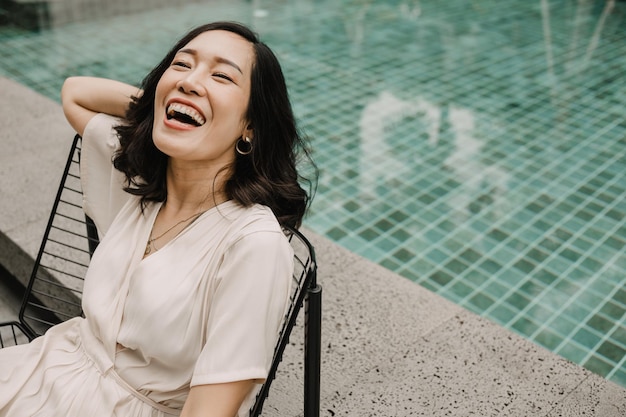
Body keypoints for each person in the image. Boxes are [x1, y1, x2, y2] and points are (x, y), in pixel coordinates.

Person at [0, 21, 315, 417]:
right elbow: (75, 93)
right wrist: (164, 104)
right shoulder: (138, 182)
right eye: (182, 65)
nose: (191, 80)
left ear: (250, 126)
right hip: (41, 369)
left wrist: (183, 102)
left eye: (221, 75)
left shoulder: (253, 246)